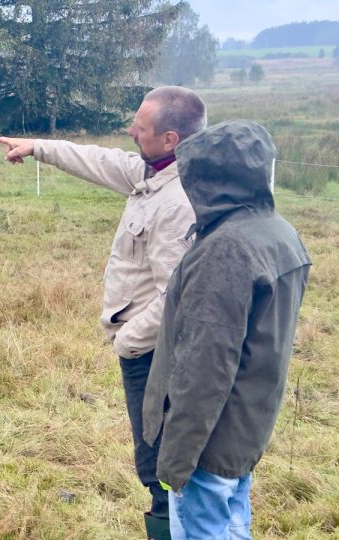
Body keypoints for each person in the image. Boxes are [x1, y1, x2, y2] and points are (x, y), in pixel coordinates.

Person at [0, 86, 207, 539]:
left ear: (169, 139)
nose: (130, 130)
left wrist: (129, 342)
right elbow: (102, 161)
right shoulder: (153, 173)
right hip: (144, 351)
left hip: (152, 355)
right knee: (159, 464)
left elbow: (177, 295)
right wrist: (39, 148)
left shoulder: (177, 201)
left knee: (161, 467)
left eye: (141, 127)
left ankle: (177, 530)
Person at [142, 120, 311, 539]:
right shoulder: (278, 232)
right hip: (246, 425)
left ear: (208, 178)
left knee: (205, 530)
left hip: (208, 442)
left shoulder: (225, 251)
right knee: (232, 526)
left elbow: (204, 368)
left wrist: (177, 460)